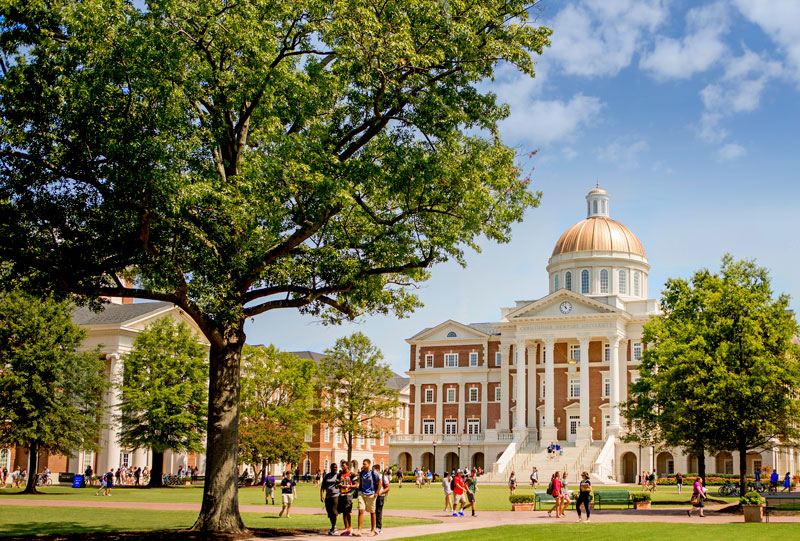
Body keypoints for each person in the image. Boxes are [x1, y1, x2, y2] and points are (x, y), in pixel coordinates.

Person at [355, 458, 380, 537]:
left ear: (369, 464)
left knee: (372, 512)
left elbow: (379, 483)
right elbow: (361, 483)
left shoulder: (373, 473)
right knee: (361, 510)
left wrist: (376, 493)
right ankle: (359, 530)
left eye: (364, 464)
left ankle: (372, 530)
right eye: (363, 463)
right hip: (362, 494)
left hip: (371, 495)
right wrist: (359, 492)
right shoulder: (362, 472)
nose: (363, 465)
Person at [338, 461, 357, 536]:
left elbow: (356, 485)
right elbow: (337, 483)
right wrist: (338, 486)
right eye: (342, 465)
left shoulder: (351, 474)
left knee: (347, 511)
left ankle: (350, 527)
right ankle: (345, 528)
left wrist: (347, 486)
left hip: (349, 494)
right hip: (342, 494)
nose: (342, 467)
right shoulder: (340, 474)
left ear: (347, 466)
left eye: (344, 466)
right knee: (343, 511)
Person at [320, 462, 340, 536]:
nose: (335, 469)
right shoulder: (327, 476)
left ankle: (333, 527)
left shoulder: (338, 476)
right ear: (331, 468)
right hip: (328, 497)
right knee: (329, 513)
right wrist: (321, 495)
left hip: (336, 495)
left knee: (334, 512)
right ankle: (333, 526)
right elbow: (322, 487)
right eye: (333, 467)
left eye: (336, 467)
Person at [375, 466, 391, 534]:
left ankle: (378, 527)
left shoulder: (383, 477)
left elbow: (388, 487)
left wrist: (381, 492)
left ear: (378, 470)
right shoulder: (373, 478)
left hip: (380, 496)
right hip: (373, 496)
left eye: (374, 471)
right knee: (373, 511)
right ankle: (374, 527)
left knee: (378, 511)